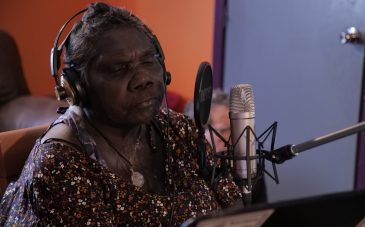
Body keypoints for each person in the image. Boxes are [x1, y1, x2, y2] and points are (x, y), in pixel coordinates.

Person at [0, 3, 241, 226]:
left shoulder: (179, 129)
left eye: (149, 61)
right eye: (119, 68)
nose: (143, 79)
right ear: (76, 87)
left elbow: (236, 211)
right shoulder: (60, 166)